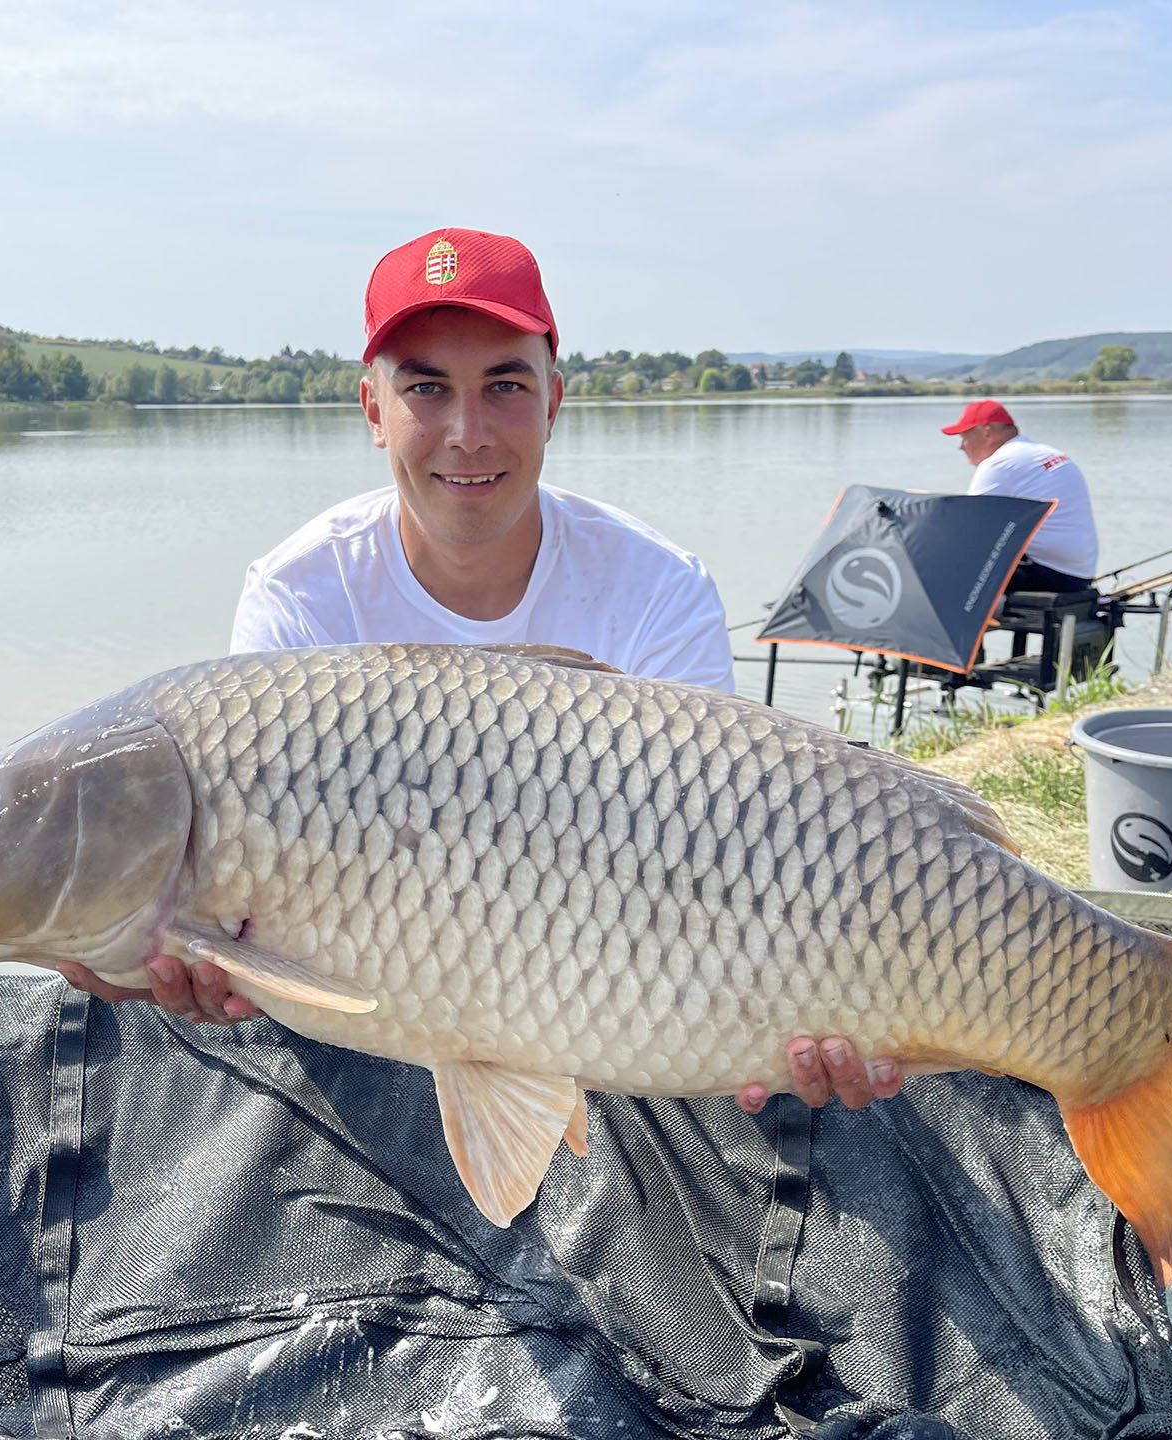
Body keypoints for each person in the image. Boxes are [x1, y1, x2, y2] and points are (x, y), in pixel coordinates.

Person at [56, 225, 901, 1114]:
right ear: (374, 409)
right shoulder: (301, 597)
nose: (467, 434)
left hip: (627, 990)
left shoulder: (656, 585)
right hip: (377, 1030)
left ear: (554, 403)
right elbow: (241, 912)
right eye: (426, 388)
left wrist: (813, 1010)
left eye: (505, 386)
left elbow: (737, 850)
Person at [941, 398, 1098, 592]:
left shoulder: (999, 463)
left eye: (964, 437)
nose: (961, 447)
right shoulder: (1042, 451)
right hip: (1081, 574)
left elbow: (969, 531)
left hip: (1053, 576)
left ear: (987, 432)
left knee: (947, 562)